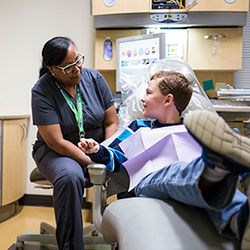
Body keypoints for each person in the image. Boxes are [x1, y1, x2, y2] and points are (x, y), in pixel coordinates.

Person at [78, 71, 250, 249]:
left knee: (224, 189)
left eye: (149, 93)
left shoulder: (195, 128)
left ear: (168, 100)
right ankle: (214, 169)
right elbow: (118, 159)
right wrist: (97, 150)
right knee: (177, 170)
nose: (143, 99)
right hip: (151, 182)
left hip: (195, 186)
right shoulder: (139, 127)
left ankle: (241, 222)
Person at [31, 36, 118, 250]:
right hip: (56, 152)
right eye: (68, 67)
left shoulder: (95, 79)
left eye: (78, 60)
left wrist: (105, 152)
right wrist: (93, 162)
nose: (76, 68)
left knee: (129, 165)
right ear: (52, 69)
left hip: (97, 147)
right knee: (70, 176)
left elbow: (111, 121)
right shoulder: (42, 91)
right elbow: (57, 142)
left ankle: (128, 241)